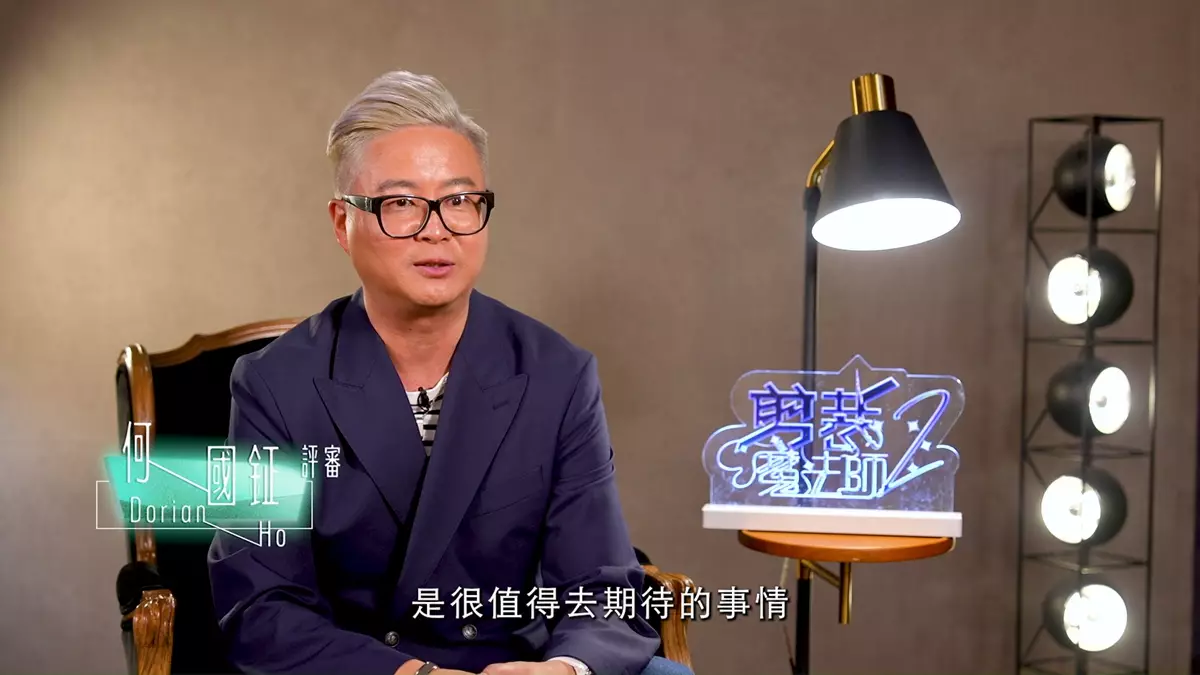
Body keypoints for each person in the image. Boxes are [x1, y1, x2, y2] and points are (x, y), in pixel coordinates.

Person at [207, 71, 687, 675]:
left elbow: (602, 585)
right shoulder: (274, 385)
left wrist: (564, 669)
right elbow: (261, 605)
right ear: (341, 222)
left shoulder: (558, 374)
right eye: (401, 203)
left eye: (460, 201)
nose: (437, 229)